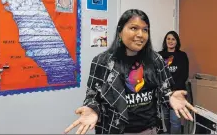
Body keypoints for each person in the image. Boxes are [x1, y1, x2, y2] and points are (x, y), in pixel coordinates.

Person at [64, 9, 196, 134]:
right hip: (115, 129)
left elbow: (165, 91)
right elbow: (93, 95)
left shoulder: (156, 59)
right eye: (134, 28)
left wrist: (170, 96)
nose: (140, 34)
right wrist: (92, 109)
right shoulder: (103, 61)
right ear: (120, 32)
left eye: (145, 30)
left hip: (150, 130)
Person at [158, 31, 189, 134]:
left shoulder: (182, 55)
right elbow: (157, 75)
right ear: (165, 41)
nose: (170, 41)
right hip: (163, 94)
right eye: (168, 39)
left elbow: (184, 75)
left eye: (173, 39)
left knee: (175, 121)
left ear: (177, 41)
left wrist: (173, 91)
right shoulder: (159, 55)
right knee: (165, 121)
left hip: (177, 93)